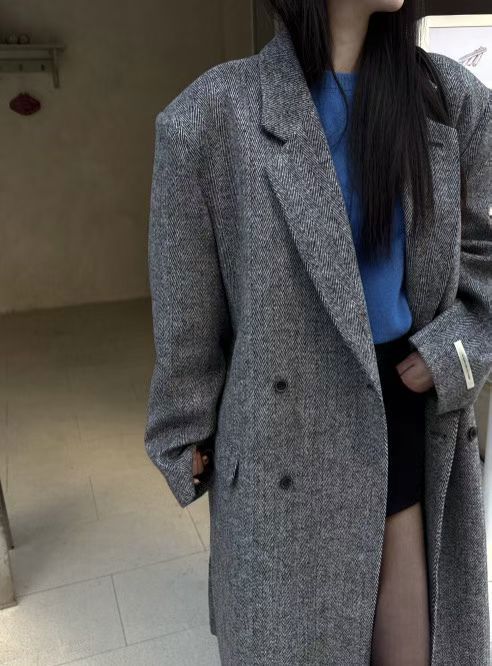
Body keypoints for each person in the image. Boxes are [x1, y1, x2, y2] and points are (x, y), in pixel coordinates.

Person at [144, 1, 492, 664]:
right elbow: (187, 312)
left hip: (407, 411)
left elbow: (486, 255)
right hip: (281, 438)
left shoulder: (450, 102)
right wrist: (184, 427)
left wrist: (452, 353)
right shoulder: (211, 116)